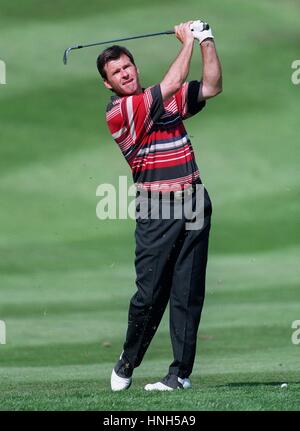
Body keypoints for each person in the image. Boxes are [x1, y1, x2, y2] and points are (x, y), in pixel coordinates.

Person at [96, 20, 222, 391]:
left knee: (187, 292)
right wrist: (186, 42)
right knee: (150, 294)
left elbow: (212, 85)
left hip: (195, 200)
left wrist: (206, 40)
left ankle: (179, 375)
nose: (124, 73)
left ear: (135, 66)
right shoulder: (120, 111)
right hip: (157, 209)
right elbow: (169, 83)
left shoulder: (164, 100)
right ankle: (128, 360)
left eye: (127, 66)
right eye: (116, 72)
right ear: (109, 83)